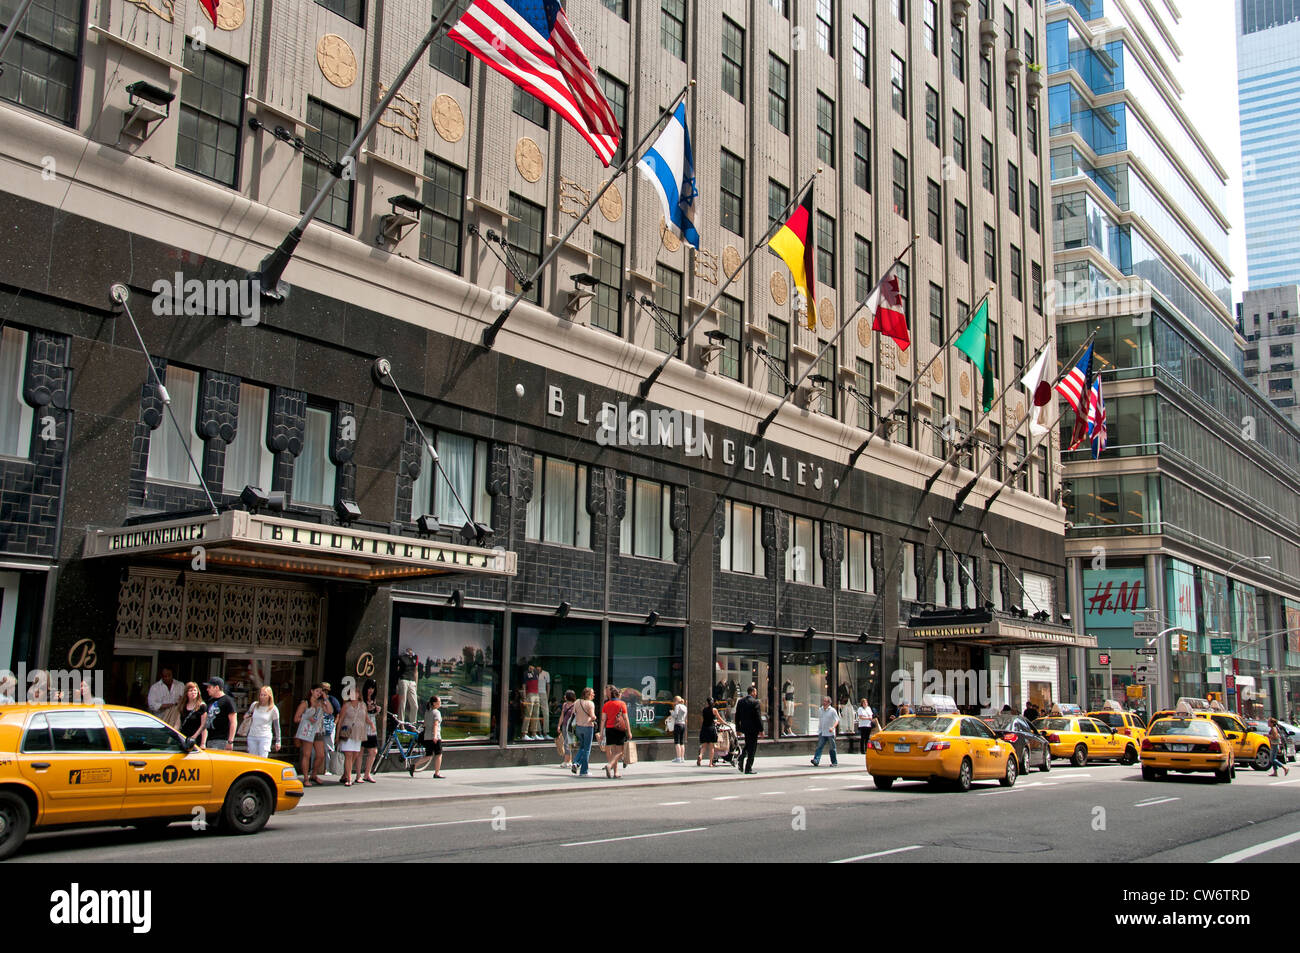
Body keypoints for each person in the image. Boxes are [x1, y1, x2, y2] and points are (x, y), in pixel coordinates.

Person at [294, 685, 328, 786]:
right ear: (312, 691)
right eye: (317, 691)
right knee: (307, 754)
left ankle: (314, 773)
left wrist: (325, 698)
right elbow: (296, 718)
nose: (318, 693)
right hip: (308, 730)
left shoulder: (321, 703)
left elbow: (330, 711)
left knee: (321, 755)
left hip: (318, 731)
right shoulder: (305, 703)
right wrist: (307, 718)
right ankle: (305, 778)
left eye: (320, 692)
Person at [335, 687, 368, 786]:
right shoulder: (346, 705)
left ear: (358, 694)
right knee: (348, 754)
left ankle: (345, 774)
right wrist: (337, 735)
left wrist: (371, 725)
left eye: (355, 693)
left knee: (355, 754)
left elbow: (366, 718)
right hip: (347, 732)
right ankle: (349, 778)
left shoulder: (363, 705)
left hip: (358, 733)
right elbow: (340, 720)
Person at [410, 695, 445, 777]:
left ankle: (414, 765)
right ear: (434, 703)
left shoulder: (427, 712)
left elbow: (425, 724)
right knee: (439, 754)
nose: (440, 703)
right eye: (438, 702)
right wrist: (435, 736)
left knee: (428, 755)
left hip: (427, 736)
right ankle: (436, 773)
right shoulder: (437, 712)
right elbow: (436, 725)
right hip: (435, 736)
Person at [600, 684, 629, 779]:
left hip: (609, 729)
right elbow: (625, 718)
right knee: (620, 752)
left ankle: (616, 772)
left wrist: (601, 733)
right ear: (618, 694)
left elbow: (603, 720)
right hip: (619, 729)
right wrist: (629, 731)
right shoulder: (622, 704)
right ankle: (609, 765)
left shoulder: (606, 704)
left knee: (613, 752)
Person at [245, 685, 282, 759]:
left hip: (265, 736)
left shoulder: (273, 709)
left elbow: (276, 726)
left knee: (263, 758)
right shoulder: (254, 705)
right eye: (261, 694)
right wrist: (247, 715)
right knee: (252, 759)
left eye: (265, 695)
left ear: (269, 696)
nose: (262, 697)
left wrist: (278, 741)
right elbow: (248, 713)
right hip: (252, 735)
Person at [202, 677, 238, 749]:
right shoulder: (210, 701)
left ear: (217, 687)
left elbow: (233, 722)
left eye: (209, 687)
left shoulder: (228, 701)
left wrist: (230, 741)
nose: (207, 689)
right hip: (209, 739)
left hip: (221, 739)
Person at [735, 685, 763, 774]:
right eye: (755, 692)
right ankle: (748, 768)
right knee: (752, 748)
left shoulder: (741, 702)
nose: (756, 693)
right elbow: (758, 717)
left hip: (745, 728)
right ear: (752, 692)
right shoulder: (755, 702)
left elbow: (737, 716)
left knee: (748, 744)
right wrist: (761, 729)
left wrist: (738, 728)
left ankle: (741, 757)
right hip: (754, 728)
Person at [357, 679, 381, 783]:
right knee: (360, 751)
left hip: (371, 727)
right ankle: (358, 775)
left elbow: (372, 715)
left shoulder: (373, 699)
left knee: (373, 751)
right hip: (363, 726)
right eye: (369, 688)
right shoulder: (361, 698)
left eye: (372, 688)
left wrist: (376, 711)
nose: (370, 690)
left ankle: (367, 774)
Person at [572, 686, 597, 776]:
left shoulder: (577, 702)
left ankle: (575, 763)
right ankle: (583, 771)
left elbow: (574, 712)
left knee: (582, 747)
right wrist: (594, 718)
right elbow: (592, 716)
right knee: (587, 750)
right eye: (592, 693)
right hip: (588, 727)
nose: (594, 694)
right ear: (588, 694)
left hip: (578, 727)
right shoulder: (590, 704)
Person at [811, 696, 840, 767]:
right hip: (822, 731)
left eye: (825, 701)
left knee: (832, 748)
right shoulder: (820, 710)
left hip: (830, 732)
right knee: (819, 746)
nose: (824, 703)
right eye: (823, 701)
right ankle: (816, 760)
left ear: (829, 703)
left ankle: (834, 762)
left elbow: (837, 720)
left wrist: (833, 727)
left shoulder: (832, 710)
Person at [320, 681, 341, 775]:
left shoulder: (332, 700)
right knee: (315, 749)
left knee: (328, 748)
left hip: (329, 727)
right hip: (317, 727)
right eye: (322, 689)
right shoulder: (316, 700)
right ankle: (315, 768)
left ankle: (327, 768)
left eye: (325, 690)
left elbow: (338, 713)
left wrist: (334, 724)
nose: (323, 692)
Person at [394, 648, 419, 724]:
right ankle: (401, 724)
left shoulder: (415, 657)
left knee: (415, 705)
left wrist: (416, 684)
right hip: (403, 679)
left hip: (412, 681)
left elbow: (416, 671)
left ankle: (412, 724)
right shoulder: (402, 657)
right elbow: (398, 669)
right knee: (402, 703)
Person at [697, 697, 721, 766]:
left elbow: (702, 720)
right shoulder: (714, 710)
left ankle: (700, 755)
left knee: (704, 746)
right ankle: (710, 763)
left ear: (707, 703)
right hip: (711, 728)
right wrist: (724, 723)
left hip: (704, 728)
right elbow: (720, 718)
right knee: (711, 747)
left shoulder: (704, 710)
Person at [556, 689, 576, 769]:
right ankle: (569, 761)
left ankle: (566, 760)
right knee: (567, 742)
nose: (564, 696)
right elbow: (562, 716)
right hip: (564, 725)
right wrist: (559, 725)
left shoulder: (575, 705)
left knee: (567, 743)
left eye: (566, 695)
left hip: (571, 726)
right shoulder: (564, 705)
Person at [670, 695, 688, 763]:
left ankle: (678, 757)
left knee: (677, 742)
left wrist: (672, 713)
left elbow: (675, 715)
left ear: (676, 701)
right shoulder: (684, 707)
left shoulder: (677, 706)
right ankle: (682, 757)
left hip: (677, 724)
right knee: (681, 742)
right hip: (683, 724)